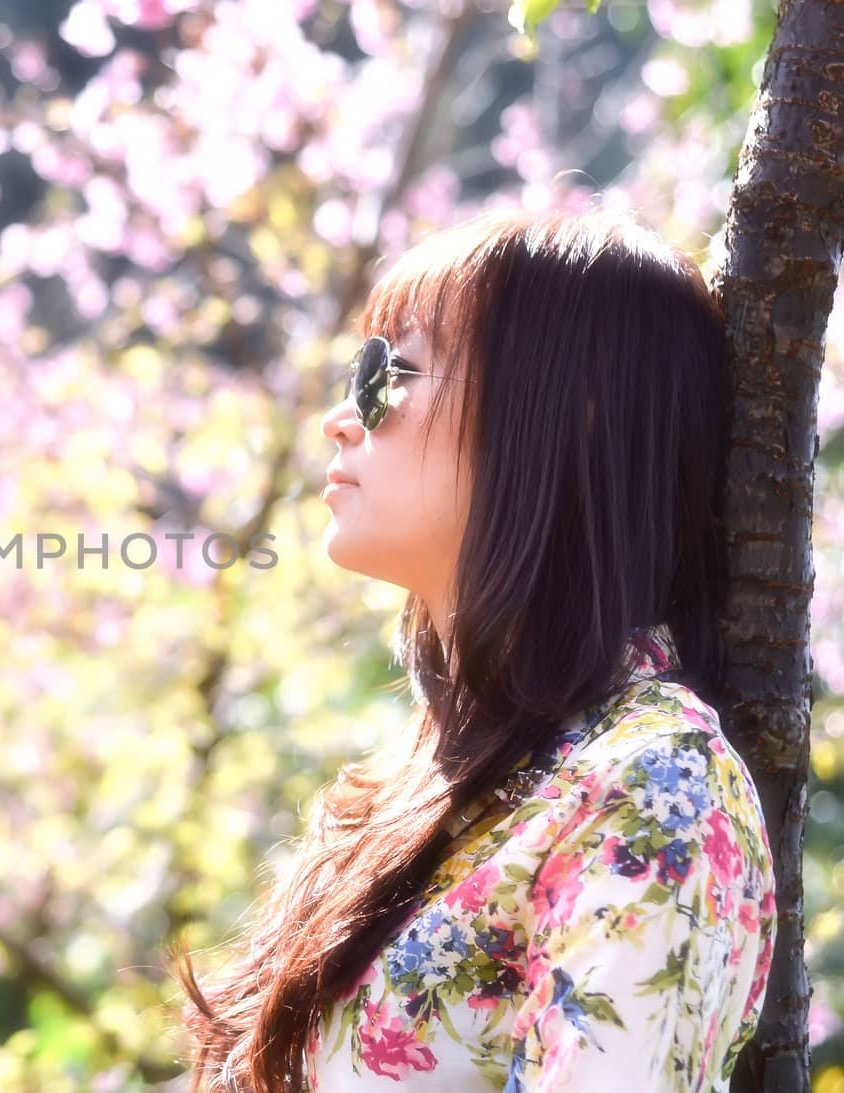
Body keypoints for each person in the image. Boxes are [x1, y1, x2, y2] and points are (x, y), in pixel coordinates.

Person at [167, 207, 777, 1092]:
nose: (342, 418)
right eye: (356, 372)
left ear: (572, 417)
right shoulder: (420, 781)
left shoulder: (653, 786)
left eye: (391, 373)